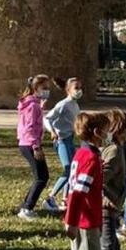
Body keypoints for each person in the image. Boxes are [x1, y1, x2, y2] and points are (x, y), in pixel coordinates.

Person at [62, 111, 110, 250]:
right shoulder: (90, 159)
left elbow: (70, 188)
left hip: (88, 219)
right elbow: (78, 193)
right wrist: (71, 221)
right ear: (96, 132)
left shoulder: (83, 153)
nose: (108, 134)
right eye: (106, 130)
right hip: (84, 222)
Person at [94, 109, 126, 250]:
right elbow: (100, 177)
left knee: (114, 249)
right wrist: (104, 198)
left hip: (112, 206)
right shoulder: (113, 151)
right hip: (105, 207)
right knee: (107, 249)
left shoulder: (116, 148)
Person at [16, 75, 53, 220]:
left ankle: (26, 205)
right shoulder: (32, 106)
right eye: (44, 88)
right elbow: (29, 127)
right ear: (35, 88)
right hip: (30, 144)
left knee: (40, 176)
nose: (47, 91)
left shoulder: (31, 104)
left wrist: (41, 108)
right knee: (42, 177)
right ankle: (26, 208)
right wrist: (36, 147)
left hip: (26, 143)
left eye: (48, 88)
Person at [44, 77, 83, 211]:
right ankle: (50, 198)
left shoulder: (75, 105)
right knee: (68, 170)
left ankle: (65, 199)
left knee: (73, 170)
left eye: (80, 88)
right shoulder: (63, 104)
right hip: (61, 140)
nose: (79, 91)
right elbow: (47, 118)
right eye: (76, 88)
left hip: (70, 139)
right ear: (68, 90)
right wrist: (53, 131)